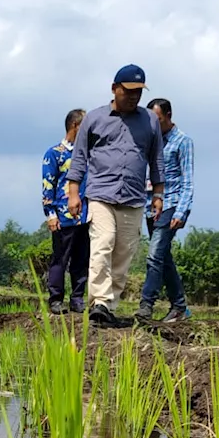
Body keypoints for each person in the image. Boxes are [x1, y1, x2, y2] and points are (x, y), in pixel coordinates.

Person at [66, 64, 165, 326]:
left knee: (124, 252)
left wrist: (158, 193)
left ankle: (109, 305)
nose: (133, 97)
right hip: (100, 194)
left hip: (133, 197)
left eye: (138, 92)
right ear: (114, 89)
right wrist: (73, 192)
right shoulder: (95, 118)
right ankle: (98, 300)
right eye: (128, 91)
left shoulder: (150, 120)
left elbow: (156, 158)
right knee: (103, 243)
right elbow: (79, 157)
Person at [136, 98, 194, 323]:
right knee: (163, 258)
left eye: (157, 119)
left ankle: (146, 305)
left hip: (172, 204)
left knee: (153, 256)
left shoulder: (183, 141)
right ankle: (179, 306)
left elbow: (188, 180)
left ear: (168, 116)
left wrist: (181, 211)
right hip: (153, 205)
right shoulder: (152, 141)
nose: (153, 124)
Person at [42, 108, 90, 314]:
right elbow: (48, 185)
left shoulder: (89, 155)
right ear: (75, 126)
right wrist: (50, 214)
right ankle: (56, 299)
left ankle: (77, 298)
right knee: (60, 259)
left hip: (86, 215)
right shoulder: (55, 154)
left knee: (82, 259)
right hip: (63, 216)